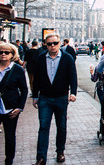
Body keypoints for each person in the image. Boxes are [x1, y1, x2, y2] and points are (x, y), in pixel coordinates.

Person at [32, 33, 77, 164]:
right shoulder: (40, 58)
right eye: (49, 44)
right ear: (45, 45)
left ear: (59, 43)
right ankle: (41, 157)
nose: (52, 46)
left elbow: (73, 76)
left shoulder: (67, 58)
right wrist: (35, 96)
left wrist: (73, 93)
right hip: (45, 98)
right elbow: (36, 78)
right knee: (44, 127)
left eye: (55, 43)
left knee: (61, 126)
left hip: (61, 97)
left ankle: (60, 152)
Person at [0, 43, 28, 165]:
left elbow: (24, 89)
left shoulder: (17, 69)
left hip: (10, 108)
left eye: (6, 52)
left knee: (10, 136)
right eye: (1, 52)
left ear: (12, 54)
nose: (3, 54)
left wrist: (19, 107)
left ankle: (9, 160)